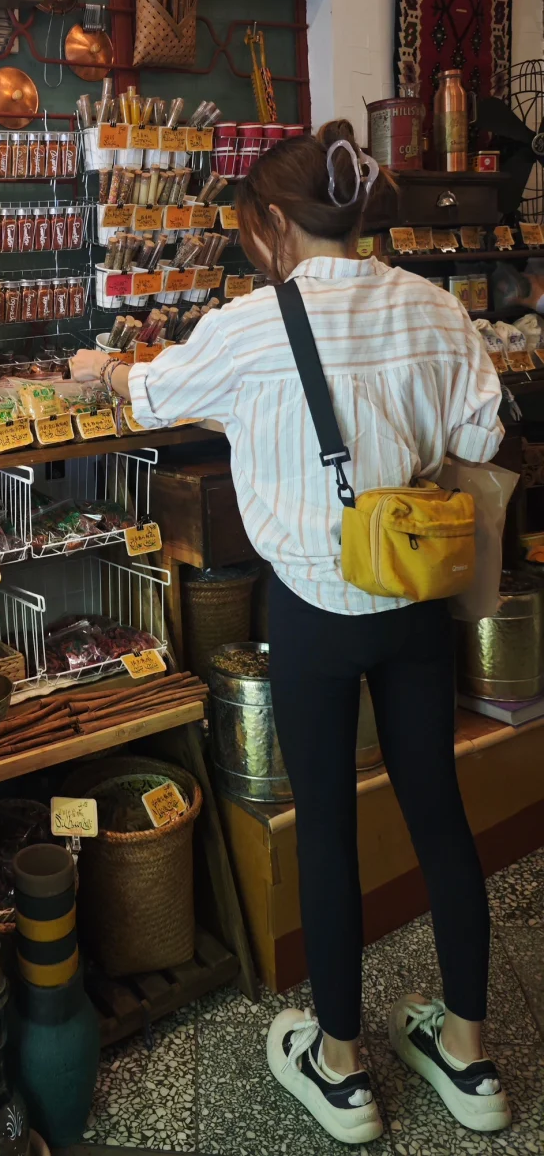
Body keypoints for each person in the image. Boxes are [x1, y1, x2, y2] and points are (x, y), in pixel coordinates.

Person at [72, 120, 511, 1145]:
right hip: (414, 598)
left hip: (314, 610)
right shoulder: (434, 306)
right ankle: (471, 1052)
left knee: (326, 825)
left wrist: (100, 365)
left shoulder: (248, 327)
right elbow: (484, 434)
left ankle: (342, 1067)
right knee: (440, 815)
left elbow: (150, 392)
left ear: (272, 221)